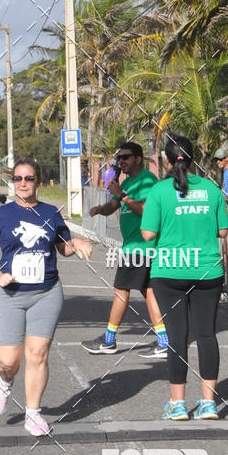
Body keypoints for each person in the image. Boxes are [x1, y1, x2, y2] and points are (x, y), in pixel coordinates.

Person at [0, 158, 93, 437]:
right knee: (8, 361)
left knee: (37, 354)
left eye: (29, 178)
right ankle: (5, 381)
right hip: (10, 295)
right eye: (18, 178)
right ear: (13, 182)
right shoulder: (1, 215)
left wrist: (77, 242)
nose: (23, 183)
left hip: (46, 293)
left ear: (37, 181)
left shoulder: (51, 213)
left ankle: (33, 413)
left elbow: (63, 247)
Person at [141, 133, 228, 421]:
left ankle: (178, 404)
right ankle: (209, 404)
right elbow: (223, 231)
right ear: (193, 159)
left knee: (177, 337)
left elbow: (148, 234)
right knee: (206, 334)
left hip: (169, 271)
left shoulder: (159, 191)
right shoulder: (212, 189)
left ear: (167, 161)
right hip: (207, 271)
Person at [81, 142, 168, 358]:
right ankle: (164, 341)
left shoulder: (147, 180)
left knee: (121, 291)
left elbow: (147, 210)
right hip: (136, 247)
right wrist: (100, 209)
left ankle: (109, 341)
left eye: (126, 157)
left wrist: (122, 195)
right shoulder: (127, 182)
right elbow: (114, 205)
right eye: (119, 158)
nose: (121, 162)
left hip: (140, 247)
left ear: (138, 159)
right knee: (149, 292)